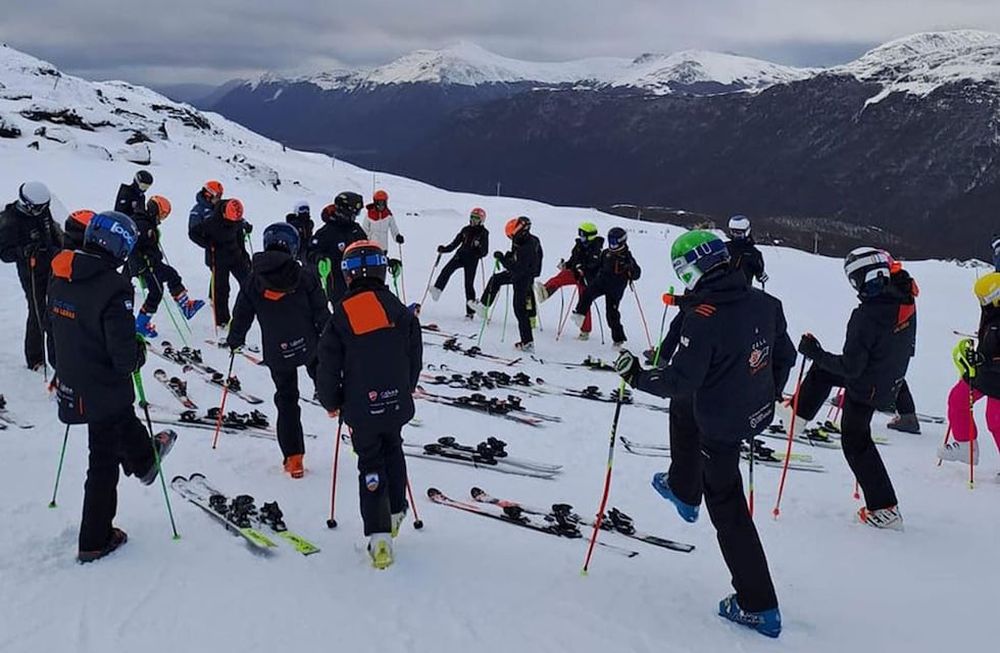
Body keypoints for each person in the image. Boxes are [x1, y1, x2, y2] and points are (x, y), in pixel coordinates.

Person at [613, 230, 794, 639]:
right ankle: (683, 488)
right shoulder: (765, 303)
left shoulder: (705, 317)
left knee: (728, 509)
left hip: (723, 426)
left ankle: (758, 604)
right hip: (750, 411)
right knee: (684, 410)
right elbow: (785, 356)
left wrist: (636, 376)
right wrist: (764, 391)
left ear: (691, 269)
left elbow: (679, 379)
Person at [48, 211, 176, 563]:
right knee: (102, 460)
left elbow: (53, 330)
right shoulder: (113, 287)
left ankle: (144, 458)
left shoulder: (62, 273)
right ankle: (95, 539)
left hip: (75, 379)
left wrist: (61, 369)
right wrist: (138, 352)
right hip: (101, 385)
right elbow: (123, 357)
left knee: (118, 422)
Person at [316, 240, 422, 569]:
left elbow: (328, 365)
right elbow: (414, 358)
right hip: (397, 402)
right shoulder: (400, 310)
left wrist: (331, 401)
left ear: (347, 275)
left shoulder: (343, 315)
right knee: (393, 448)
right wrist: (407, 388)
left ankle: (379, 538)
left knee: (370, 462)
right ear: (382, 270)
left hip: (362, 408)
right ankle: (395, 510)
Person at [795, 247, 913, 531]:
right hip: (889, 377)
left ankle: (884, 508)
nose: (857, 286)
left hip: (867, 386)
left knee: (856, 441)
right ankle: (796, 417)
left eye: (856, 279)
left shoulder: (866, 316)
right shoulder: (903, 296)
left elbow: (850, 368)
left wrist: (814, 351)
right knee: (823, 372)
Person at [227, 223, 330, 478]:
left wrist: (235, 339)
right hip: (309, 344)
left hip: (277, 350)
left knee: (287, 401)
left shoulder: (253, 279)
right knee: (323, 374)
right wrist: (332, 338)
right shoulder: (305, 275)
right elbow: (321, 312)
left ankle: (294, 459)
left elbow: (241, 314)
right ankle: (332, 403)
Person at [0, 181, 62, 371]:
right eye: (40, 208)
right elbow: (4, 253)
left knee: (55, 308)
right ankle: (35, 357)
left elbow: (51, 229)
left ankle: (59, 351)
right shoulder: (9, 220)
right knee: (37, 311)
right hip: (31, 272)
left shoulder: (43, 210)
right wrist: (23, 251)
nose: (44, 210)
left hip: (52, 262)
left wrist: (61, 247)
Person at [939, 272, 1000, 465]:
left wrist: (984, 359)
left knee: (995, 419)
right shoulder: (992, 314)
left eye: (985, 299)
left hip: (993, 376)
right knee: (958, 399)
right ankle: (966, 447)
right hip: (984, 374)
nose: (982, 303)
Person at [129, 195, 205, 338]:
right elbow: (137, 244)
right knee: (156, 292)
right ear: (154, 210)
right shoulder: (142, 224)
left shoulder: (145, 222)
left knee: (171, 275)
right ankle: (140, 325)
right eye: (162, 215)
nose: (161, 219)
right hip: (146, 265)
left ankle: (186, 306)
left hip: (151, 262)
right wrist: (146, 257)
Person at [468, 216, 543, 352]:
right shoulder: (522, 240)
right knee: (496, 279)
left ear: (520, 230)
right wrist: (507, 256)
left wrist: (502, 259)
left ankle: (528, 342)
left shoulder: (528, 246)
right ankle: (484, 306)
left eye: (512, 236)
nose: (511, 239)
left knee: (519, 309)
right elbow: (516, 258)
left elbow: (517, 267)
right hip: (521, 273)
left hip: (523, 276)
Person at [570, 227, 640, 347]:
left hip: (615, 288)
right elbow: (596, 266)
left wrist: (630, 268)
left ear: (622, 241)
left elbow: (637, 274)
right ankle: (579, 315)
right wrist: (583, 269)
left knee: (611, 314)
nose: (612, 244)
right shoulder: (606, 253)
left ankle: (618, 339)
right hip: (601, 282)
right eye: (610, 241)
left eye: (615, 241)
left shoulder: (626, 257)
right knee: (586, 294)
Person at [535, 221, 604, 340]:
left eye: (583, 234)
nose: (580, 236)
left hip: (587, 279)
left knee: (584, 303)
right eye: (580, 233)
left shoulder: (596, 249)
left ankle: (585, 331)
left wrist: (582, 268)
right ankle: (546, 291)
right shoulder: (579, 246)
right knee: (563, 275)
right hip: (576, 273)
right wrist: (566, 264)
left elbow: (593, 264)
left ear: (589, 236)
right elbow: (573, 260)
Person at [191, 197, 251, 330]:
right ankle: (222, 320)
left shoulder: (235, 218)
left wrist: (245, 255)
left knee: (248, 282)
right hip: (219, 259)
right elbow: (193, 233)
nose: (232, 223)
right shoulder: (211, 223)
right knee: (221, 290)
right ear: (224, 214)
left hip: (236, 256)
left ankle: (250, 311)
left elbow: (239, 236)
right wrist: (208, 244)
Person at [308, 192, 368, 305]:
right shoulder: (326, 232)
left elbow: (367, 247)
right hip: (338, 287)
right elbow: (310, 252)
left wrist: (383, 259)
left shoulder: (356, 229)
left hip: (359, 283)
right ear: (345, 211)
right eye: (355, 212)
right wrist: (319, 257)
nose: (355, 216)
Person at [429, 207, 489, 318]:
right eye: (472, 218)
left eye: (476, 219)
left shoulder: (484, 233)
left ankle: (470, 312)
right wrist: (444, 249)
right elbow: (454, 244)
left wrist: (478, 250)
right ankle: (437, 290)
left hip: (472, 259)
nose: (473, 221)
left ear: (481, 220)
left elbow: (485, 251)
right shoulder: (465, 229)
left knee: (468, 284)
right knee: (446, 270)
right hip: (460, 255)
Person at [886, 261, 921, 434]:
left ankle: (908, 416)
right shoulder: (901, 281)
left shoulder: (893, 285)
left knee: (890, 373)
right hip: (902, 338)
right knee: (894, 374)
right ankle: (906, 414)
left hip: (896, 338)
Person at [726, 215, 767, 287]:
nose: (735, 236)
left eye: (739, 233)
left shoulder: (753, 253)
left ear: (747, 232)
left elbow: (759, 271)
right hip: (722, 289)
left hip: (742, 291)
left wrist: (761, 275)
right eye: (733, 232)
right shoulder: (725, 247)